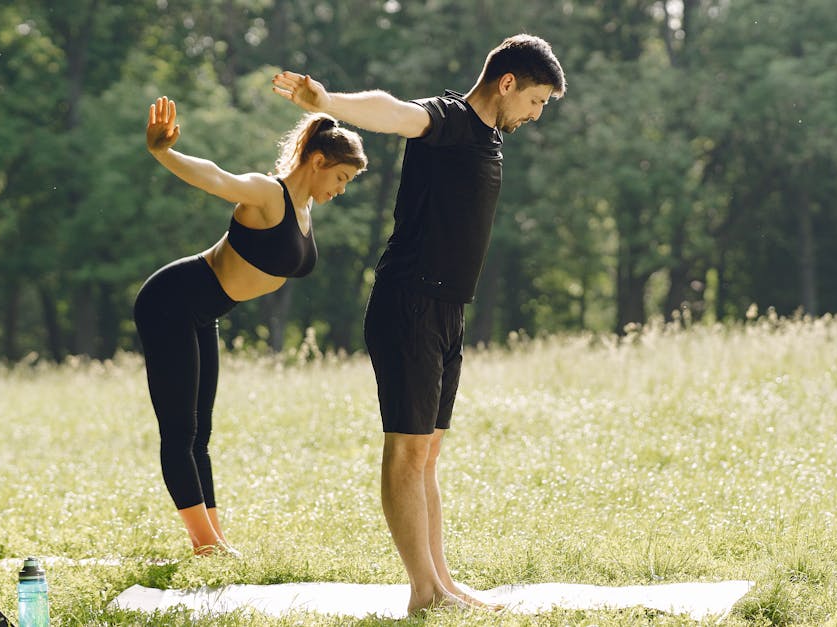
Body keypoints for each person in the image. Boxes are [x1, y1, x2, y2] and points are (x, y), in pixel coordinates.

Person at [272, 34, 566, 613]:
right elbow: (395, 112)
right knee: (406, 452)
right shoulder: (454, 118)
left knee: (427, 454)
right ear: (507, 82)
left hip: (447, 308)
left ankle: (443, 584)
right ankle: (423, 593)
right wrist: (327, 100)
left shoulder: (485, 136)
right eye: (535, 101)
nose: (535, 115)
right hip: (411, 303)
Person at [133, 96, 366, 555]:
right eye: (340, 178)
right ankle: (206, 546)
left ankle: (214, 541)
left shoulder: (304, 210)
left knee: (201, 432)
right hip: (170, 302)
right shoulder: (267, 194)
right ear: (317, 161)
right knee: (180, 432)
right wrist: (163, 152)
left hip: (202, 312)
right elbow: (216, 177)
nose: (341, 189)